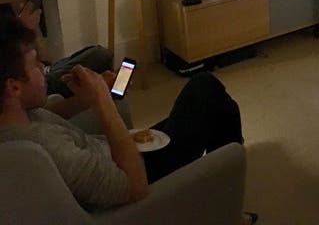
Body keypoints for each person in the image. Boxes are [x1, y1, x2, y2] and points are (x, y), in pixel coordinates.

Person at [0, 15, 243, 210]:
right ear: (13, 87)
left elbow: (49, 113)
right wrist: (104, 103)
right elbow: (135, 187)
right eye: (36, 64)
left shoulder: (15, 119)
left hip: (118, 153)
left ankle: (227, 190)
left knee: (221, 108)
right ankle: (228, 198)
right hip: (138, 172)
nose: (44, 68)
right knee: (204, 87)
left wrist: (86, 98)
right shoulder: (46, 149)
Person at [0, 1, 113, 97]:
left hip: (43, 73)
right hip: (37, 80)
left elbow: (44, 60)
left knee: (98, 54)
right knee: (101, 57)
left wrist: (29, 29)